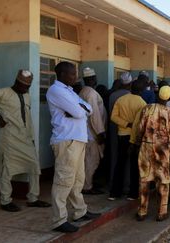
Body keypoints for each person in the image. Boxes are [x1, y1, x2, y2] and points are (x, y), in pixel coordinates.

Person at [0, 70, 51, 212]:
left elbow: (28, 119)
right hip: (9, 136)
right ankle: (5, 201)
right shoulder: (3, 92)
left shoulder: (27, 96)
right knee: (8, 169)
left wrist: (32, 138)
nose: (25, 89)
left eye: (27, 87)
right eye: (23, 85)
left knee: (35, 166)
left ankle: (33, 198)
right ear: (16, 82)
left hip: (25, 137)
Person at [46, 62, 100, 233]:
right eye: (71, 74)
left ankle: (79, 211)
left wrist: (80, 109)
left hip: (77, 139)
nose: (75, 77)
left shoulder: (69, 91)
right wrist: (79, 109)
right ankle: (59, 220)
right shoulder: (56, 90)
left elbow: (89, 109)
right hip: (66, 140)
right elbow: (79, 112)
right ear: (61, 74)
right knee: (64, 180)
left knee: (78, 179)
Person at [135, 86, 170, 222]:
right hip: (162, 151)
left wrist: (138, 143)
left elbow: (140, 128)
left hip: (146, 148)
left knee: (144, 180)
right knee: (163, 181)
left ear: (158, 95)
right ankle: (162, 212)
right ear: (169, 98)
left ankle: (142, 211)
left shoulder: (147, 109)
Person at [109, 79, 146, 200]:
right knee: (134, 165)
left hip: (122, 135)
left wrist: (125, 124)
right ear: (142, 90)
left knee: (120, 163)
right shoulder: (143, 104)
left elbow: (113, 117)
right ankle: (133, 193)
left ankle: (115, 193)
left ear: (131, 87)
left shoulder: (121, 99)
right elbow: (141, 124)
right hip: (135, 138)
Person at [79, 67, 107, 195]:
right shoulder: (90, 93)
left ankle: (87, 183)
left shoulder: (84, 91)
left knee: (88, 160)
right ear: (91, 79)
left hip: (87, 132)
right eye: (94, 77)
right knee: (92, 160)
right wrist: (100, 133)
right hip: (92, 133)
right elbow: (94, 115)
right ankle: (87, 186)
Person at [108, 72, 132, 192]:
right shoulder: (132, 96)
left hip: (113, 130)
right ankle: (126, 185)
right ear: (130, 83)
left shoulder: (112, 95)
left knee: (115, 157)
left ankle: (113, 182)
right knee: (127, 160)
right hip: (127, 132)